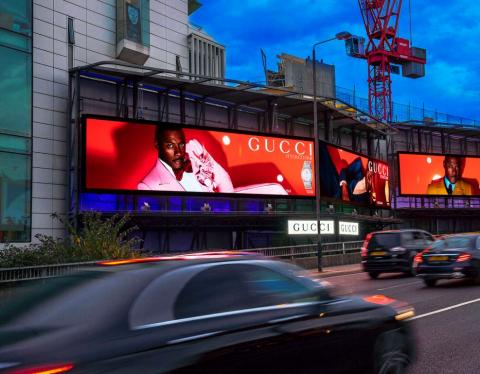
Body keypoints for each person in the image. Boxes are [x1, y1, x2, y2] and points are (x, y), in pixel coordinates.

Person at [138, 126, 234, 192]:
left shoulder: (195, 148)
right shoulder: (147, 186)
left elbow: (223, 178)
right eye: (170, 146)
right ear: (157, 145)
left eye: (181, 144)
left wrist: (227, 208)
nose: (178, 152)